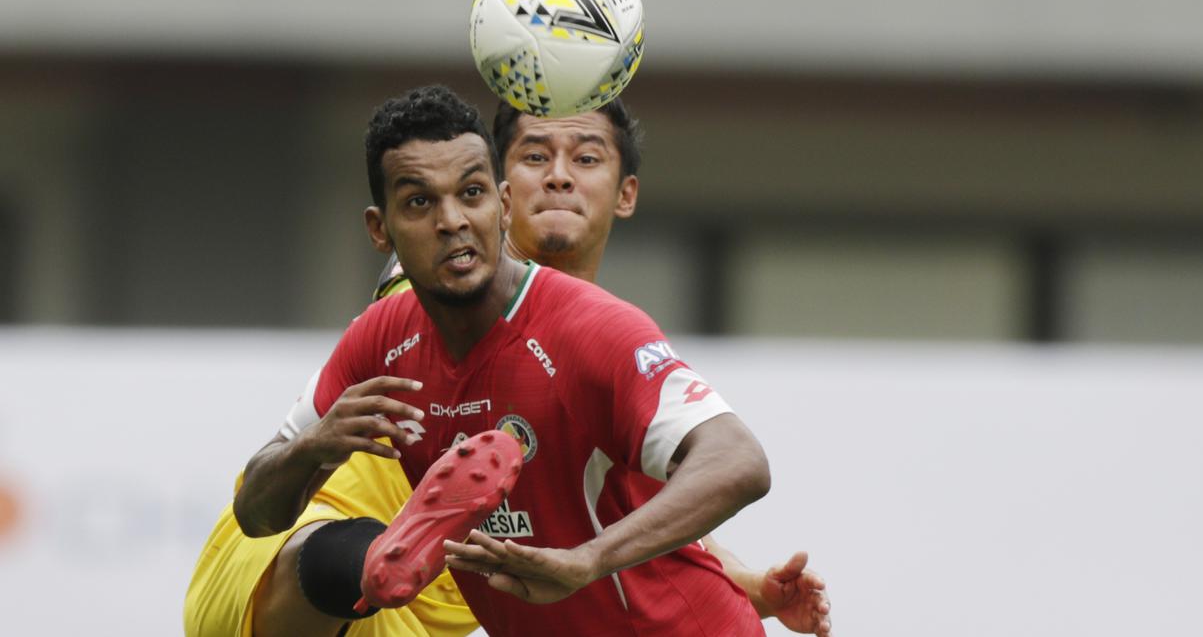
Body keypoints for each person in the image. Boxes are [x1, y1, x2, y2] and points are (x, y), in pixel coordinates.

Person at [186, 87, 831, 636]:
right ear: (380, 230)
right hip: (308, 567)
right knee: (344, 567)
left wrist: (593, 562)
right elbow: (257, 512)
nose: (451, 221)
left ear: (497, 202)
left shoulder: (593, 329)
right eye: (419, 203)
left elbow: (734, 462)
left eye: (585, 157)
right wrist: (314, 447)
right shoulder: (388, 328)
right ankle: (373, 554)